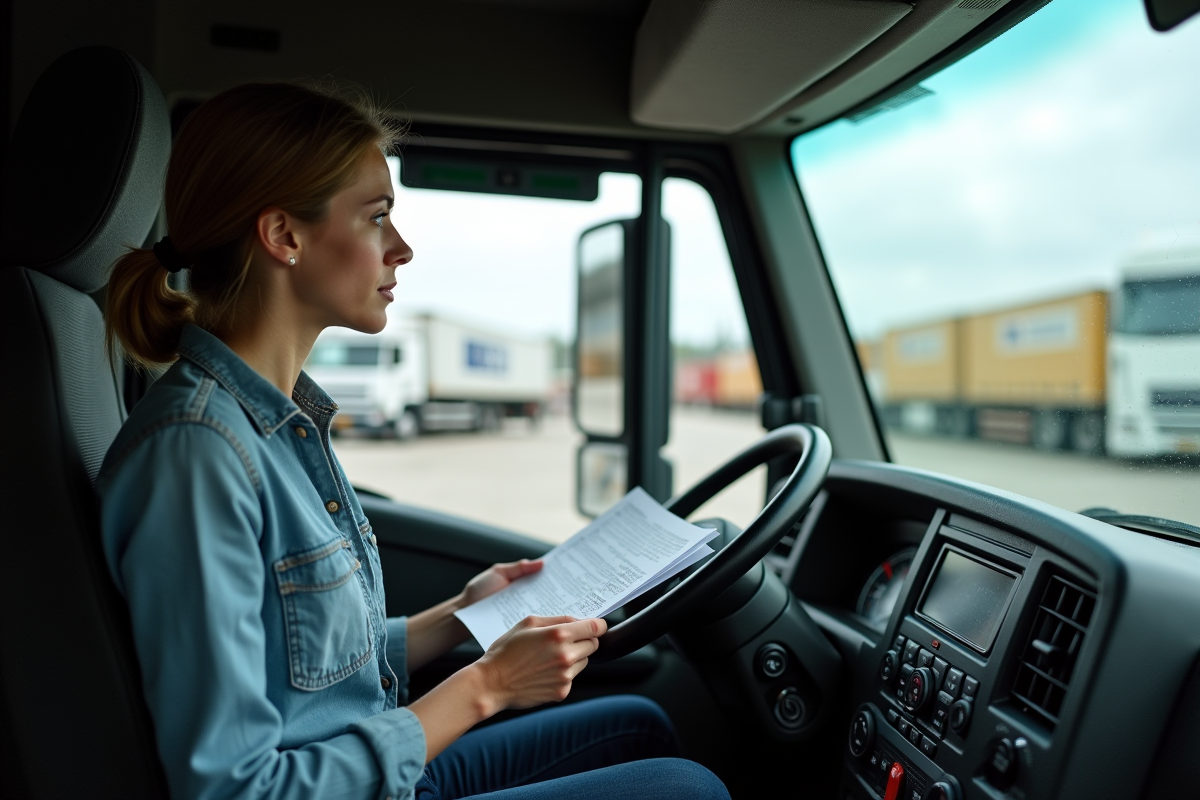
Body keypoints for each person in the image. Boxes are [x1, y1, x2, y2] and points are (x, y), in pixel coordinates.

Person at [98, 83, 730, 800]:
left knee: (639, 724)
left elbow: (313, 672)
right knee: (686, 789)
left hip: (366, 767)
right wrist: (487, 685)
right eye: (377, 218)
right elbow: (235, 790)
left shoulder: (277, 423)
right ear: (284, 236)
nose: (402, 248)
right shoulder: (198, 456)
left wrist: (464, 614)